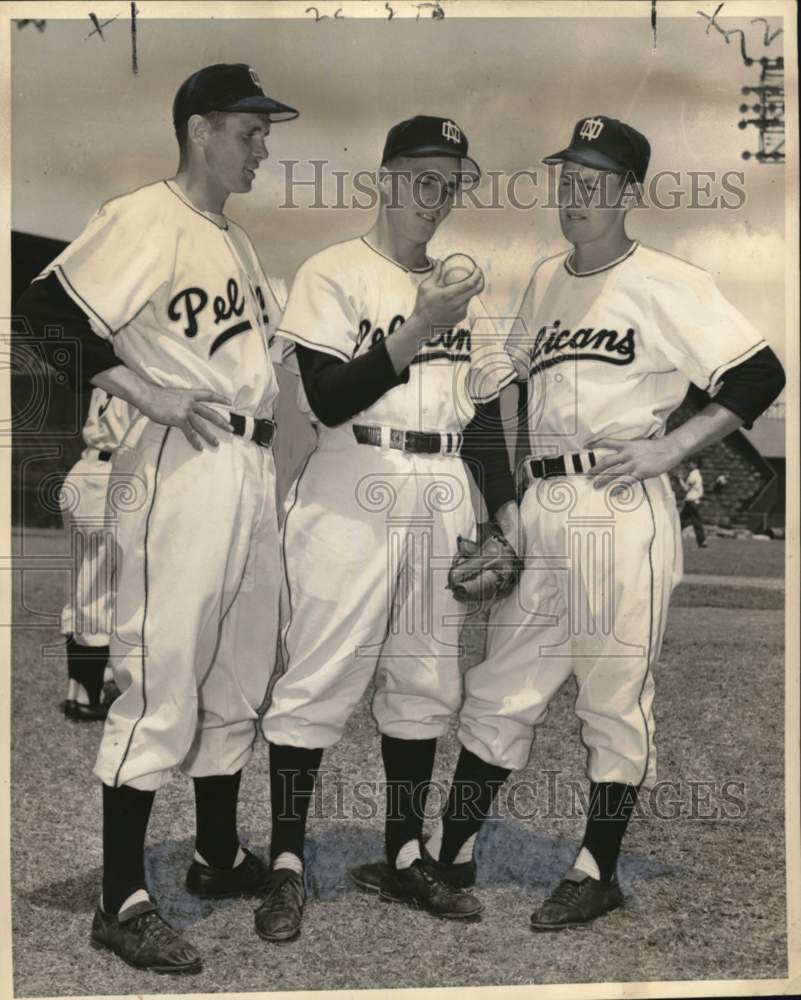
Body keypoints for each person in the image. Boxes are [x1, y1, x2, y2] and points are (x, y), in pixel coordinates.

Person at [351, 114, 784, 930]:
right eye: (567, 179)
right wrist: (506, 474)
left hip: (618, 503)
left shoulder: (667, 280)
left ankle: (598, 866)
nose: (576, 195)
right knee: (499, 686)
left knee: (612, 696)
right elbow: (505, 377)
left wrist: (671, 449)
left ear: (628, 193)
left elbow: (757, 374)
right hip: (543, 506)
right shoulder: (547, 277)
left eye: (595, 183)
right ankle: (452, 849)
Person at [15, 63, 299, 973]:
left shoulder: (234, 240)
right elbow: (40, 302)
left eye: (265, 132)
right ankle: (121, 896)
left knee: (240, 667)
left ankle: (216, 856)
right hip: (184, 464)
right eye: (250, 130)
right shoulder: (147, 215)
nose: (263, 146)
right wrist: (140, 387)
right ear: (200, 129)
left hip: (248, 466)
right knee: (162, 668)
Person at [256, 115, 521, 942]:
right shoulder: (333, 270)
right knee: (318, 675)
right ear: (383, 179)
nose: (435, 196)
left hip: (441, 487)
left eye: (451, 181)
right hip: (351, 477)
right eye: (421, 177)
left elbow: (479, 416)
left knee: (426, 678)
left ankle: (404, 854)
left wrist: (504, 507)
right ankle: (288, 864)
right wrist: (417, 324)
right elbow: (328, 396)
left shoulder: (462, 284)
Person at [59, 389, 135, 721]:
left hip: (83, 470)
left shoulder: (112, 365)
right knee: (98, 591)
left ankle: (77, 688)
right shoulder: (140, 366)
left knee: (84, 590)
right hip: (106, 475)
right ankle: (88, 696)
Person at [679, 458, 708, 547]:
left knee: (694, 521)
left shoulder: (693, 475)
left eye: (691, 463)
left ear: (695, 465)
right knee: (682, 521)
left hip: (692, 501)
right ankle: (702, 541)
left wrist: (680, 479)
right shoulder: (697, 474)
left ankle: (702, 540)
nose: (689, 465)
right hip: (692, 501)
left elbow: (686, 488)